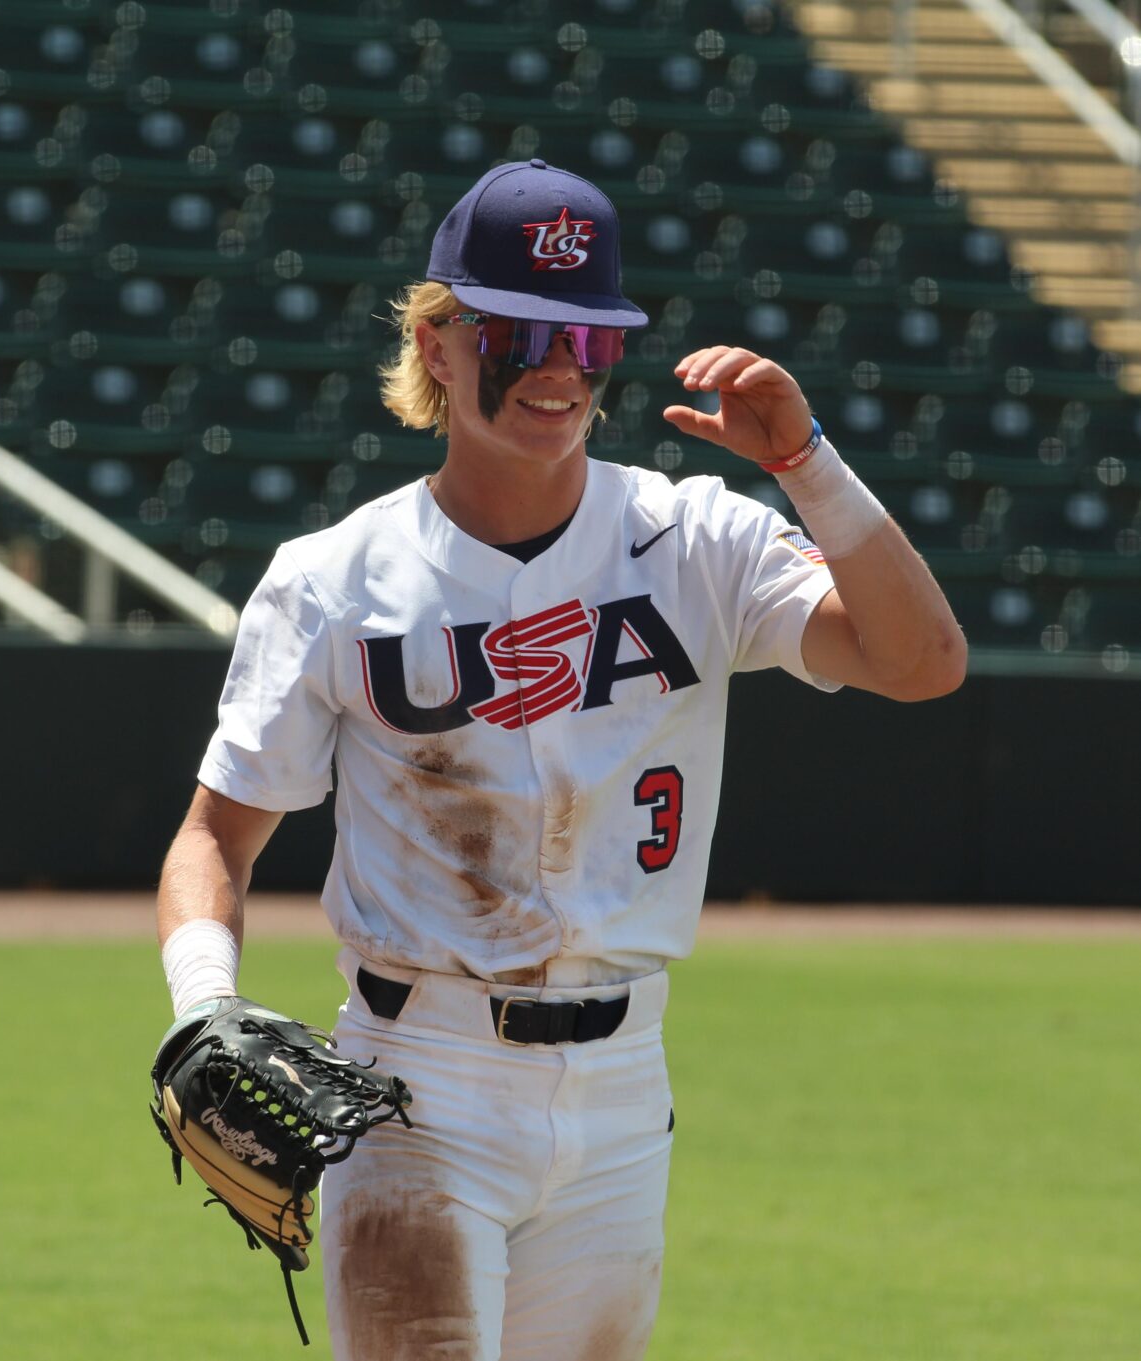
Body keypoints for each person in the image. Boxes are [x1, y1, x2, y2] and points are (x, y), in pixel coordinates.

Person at [156, 159, 967, 1360]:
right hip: (416, 1082)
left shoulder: (695, 537)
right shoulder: (333, 580)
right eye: (521, 333)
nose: (558, 369)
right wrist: (204, 1006)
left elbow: (923, 660)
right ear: (437, 343)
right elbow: (214, 838)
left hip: (625, 1090)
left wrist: (808, 464)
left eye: (589, 339)